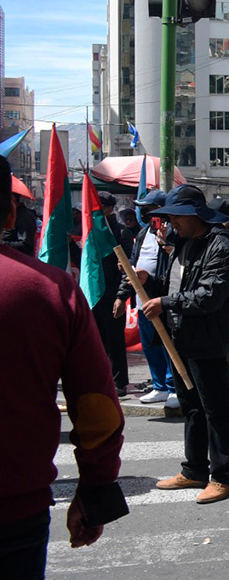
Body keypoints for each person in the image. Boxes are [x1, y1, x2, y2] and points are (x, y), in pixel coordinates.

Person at [2, 157, 130, 577]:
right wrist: (95, 492)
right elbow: (97, 408)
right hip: (14, 509)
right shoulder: (51, 291)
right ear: (10, 213)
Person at [142, 185, 229, 504]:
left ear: (195, 215)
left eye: (176, 216)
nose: (172, 222)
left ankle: (223, 476)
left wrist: (165, 302)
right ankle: (195, 469)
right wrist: (150, 284)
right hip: (181, 337)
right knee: (192, 407)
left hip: (208, 339)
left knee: (216, 409)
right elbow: (178, 283)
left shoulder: (221, 246)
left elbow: (210, 296)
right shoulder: (186, 242)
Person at [116, 190, 179, 409]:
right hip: (143, 300)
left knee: (167, 344)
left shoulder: (174, 233)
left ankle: (173, 387)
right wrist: (122, 295)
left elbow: (177, 263)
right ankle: (159, 385)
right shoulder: (143, 234)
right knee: (150, 344)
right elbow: (134, 261)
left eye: (149, 209)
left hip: (163, 299)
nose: (144, 213)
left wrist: (165, 242)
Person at [88, 192, 133, 396]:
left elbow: (128, 268)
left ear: (108, 208)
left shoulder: (120, 232)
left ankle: (119, 381)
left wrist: (121, 296)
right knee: (97, 341)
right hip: (95, 294)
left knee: (115, 341)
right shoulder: (93, 232)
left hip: (113, 295)